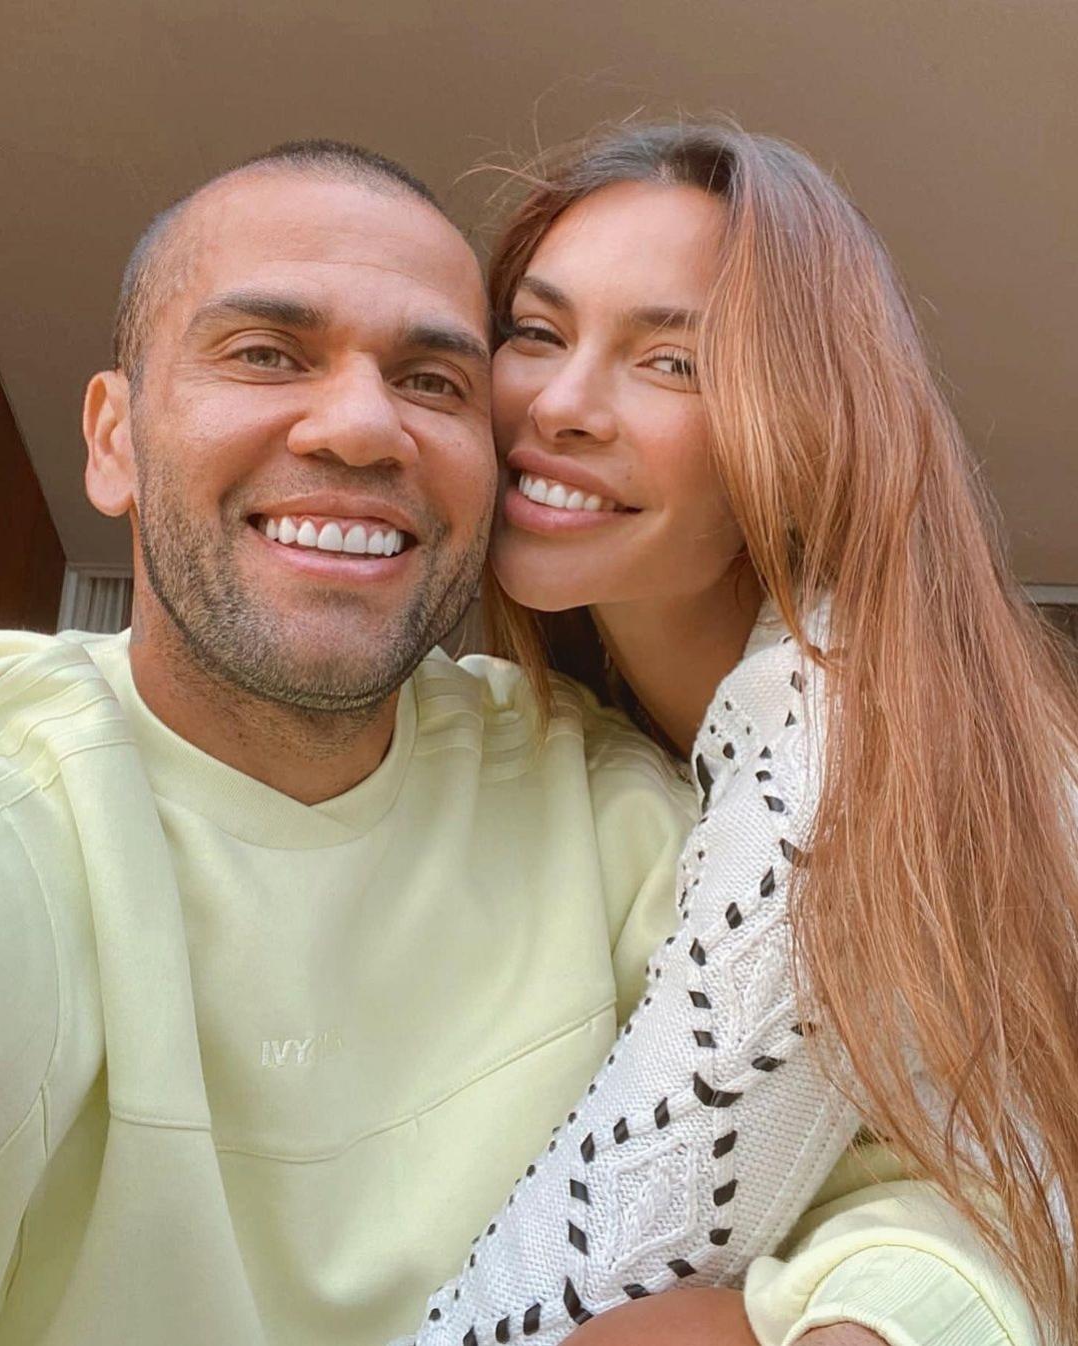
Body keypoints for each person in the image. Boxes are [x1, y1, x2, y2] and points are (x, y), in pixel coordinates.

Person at [0, 140, 698, 1346]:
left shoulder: (592, 800)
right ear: (112, 440)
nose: (365, 428)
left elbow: (914, 1183)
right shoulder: (31, 787)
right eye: (266, 353)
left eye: (433, 381)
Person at [398, 123, 1078, 1346]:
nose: (561, 403)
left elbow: (613, 1242)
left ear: (802, 425)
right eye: (536, 332)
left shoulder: (845, 726)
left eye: (671, 362)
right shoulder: (599, 713)